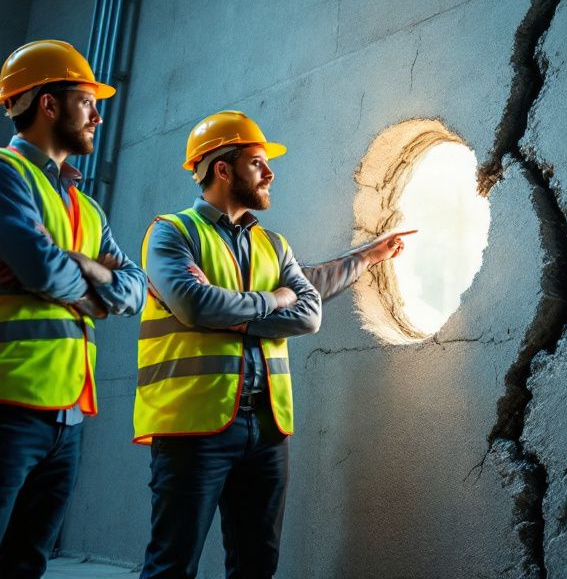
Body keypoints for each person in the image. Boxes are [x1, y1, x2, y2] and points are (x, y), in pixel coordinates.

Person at [135, 110, 411, 579]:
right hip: (193, 427)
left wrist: (238, 316)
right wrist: (272, 300)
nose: (270, 172)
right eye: (258, 162)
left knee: (256, 565)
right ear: (223, 169)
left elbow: (308, 311)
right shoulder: (172, 232)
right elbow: (196, 306)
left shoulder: (273, 245)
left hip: (266, 430)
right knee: (171, 565)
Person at [0, 40, 147, 579]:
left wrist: (87, 269)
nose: (98, 114)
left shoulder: (84, 206)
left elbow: (135, 291)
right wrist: (93, 286)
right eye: (87, 101)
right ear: (48, 104)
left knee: (23, 566)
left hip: (64, 417)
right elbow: (41, 270)